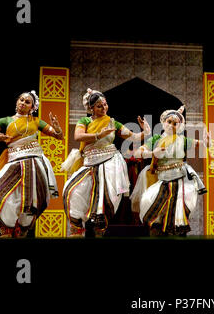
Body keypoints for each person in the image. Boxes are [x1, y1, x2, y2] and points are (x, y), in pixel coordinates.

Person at [61, 88, 150, 237]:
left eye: (105, 104)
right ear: (91, 108)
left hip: (110, 161)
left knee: (106, 194)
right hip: (89, 162)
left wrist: (145, 132)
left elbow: (133, 137)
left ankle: (101, 222)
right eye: (99, 106)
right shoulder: (85, 121)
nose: (104, 108)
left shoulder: (112, 122)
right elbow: (78, 136)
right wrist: (98, 135)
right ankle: (77, 225)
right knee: (72, 190)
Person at [0, 90, 64, 238]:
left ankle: (23, 227)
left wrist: (57, 127)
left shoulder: (37, 122)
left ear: (32, 107)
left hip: (35, 161)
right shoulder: (5, 121)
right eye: (21, 100)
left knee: (35, 196)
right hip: (14, 161)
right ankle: (6, 227)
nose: (23, 103)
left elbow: (59, 137)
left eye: (27, 102)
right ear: (17, 102)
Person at [131, 105, 209, 236]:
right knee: (152, 205)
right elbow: (138, 153)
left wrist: (206, 142)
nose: (171, 125)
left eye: (175, 123)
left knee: (181, 206)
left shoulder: (182, 140)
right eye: (169, 122)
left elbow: (199, 144)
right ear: (163, 122)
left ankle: (179, 228)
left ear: (179, 126)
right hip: (162, 178)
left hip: (181, 177)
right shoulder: (156, 139)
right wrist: (152, 152)